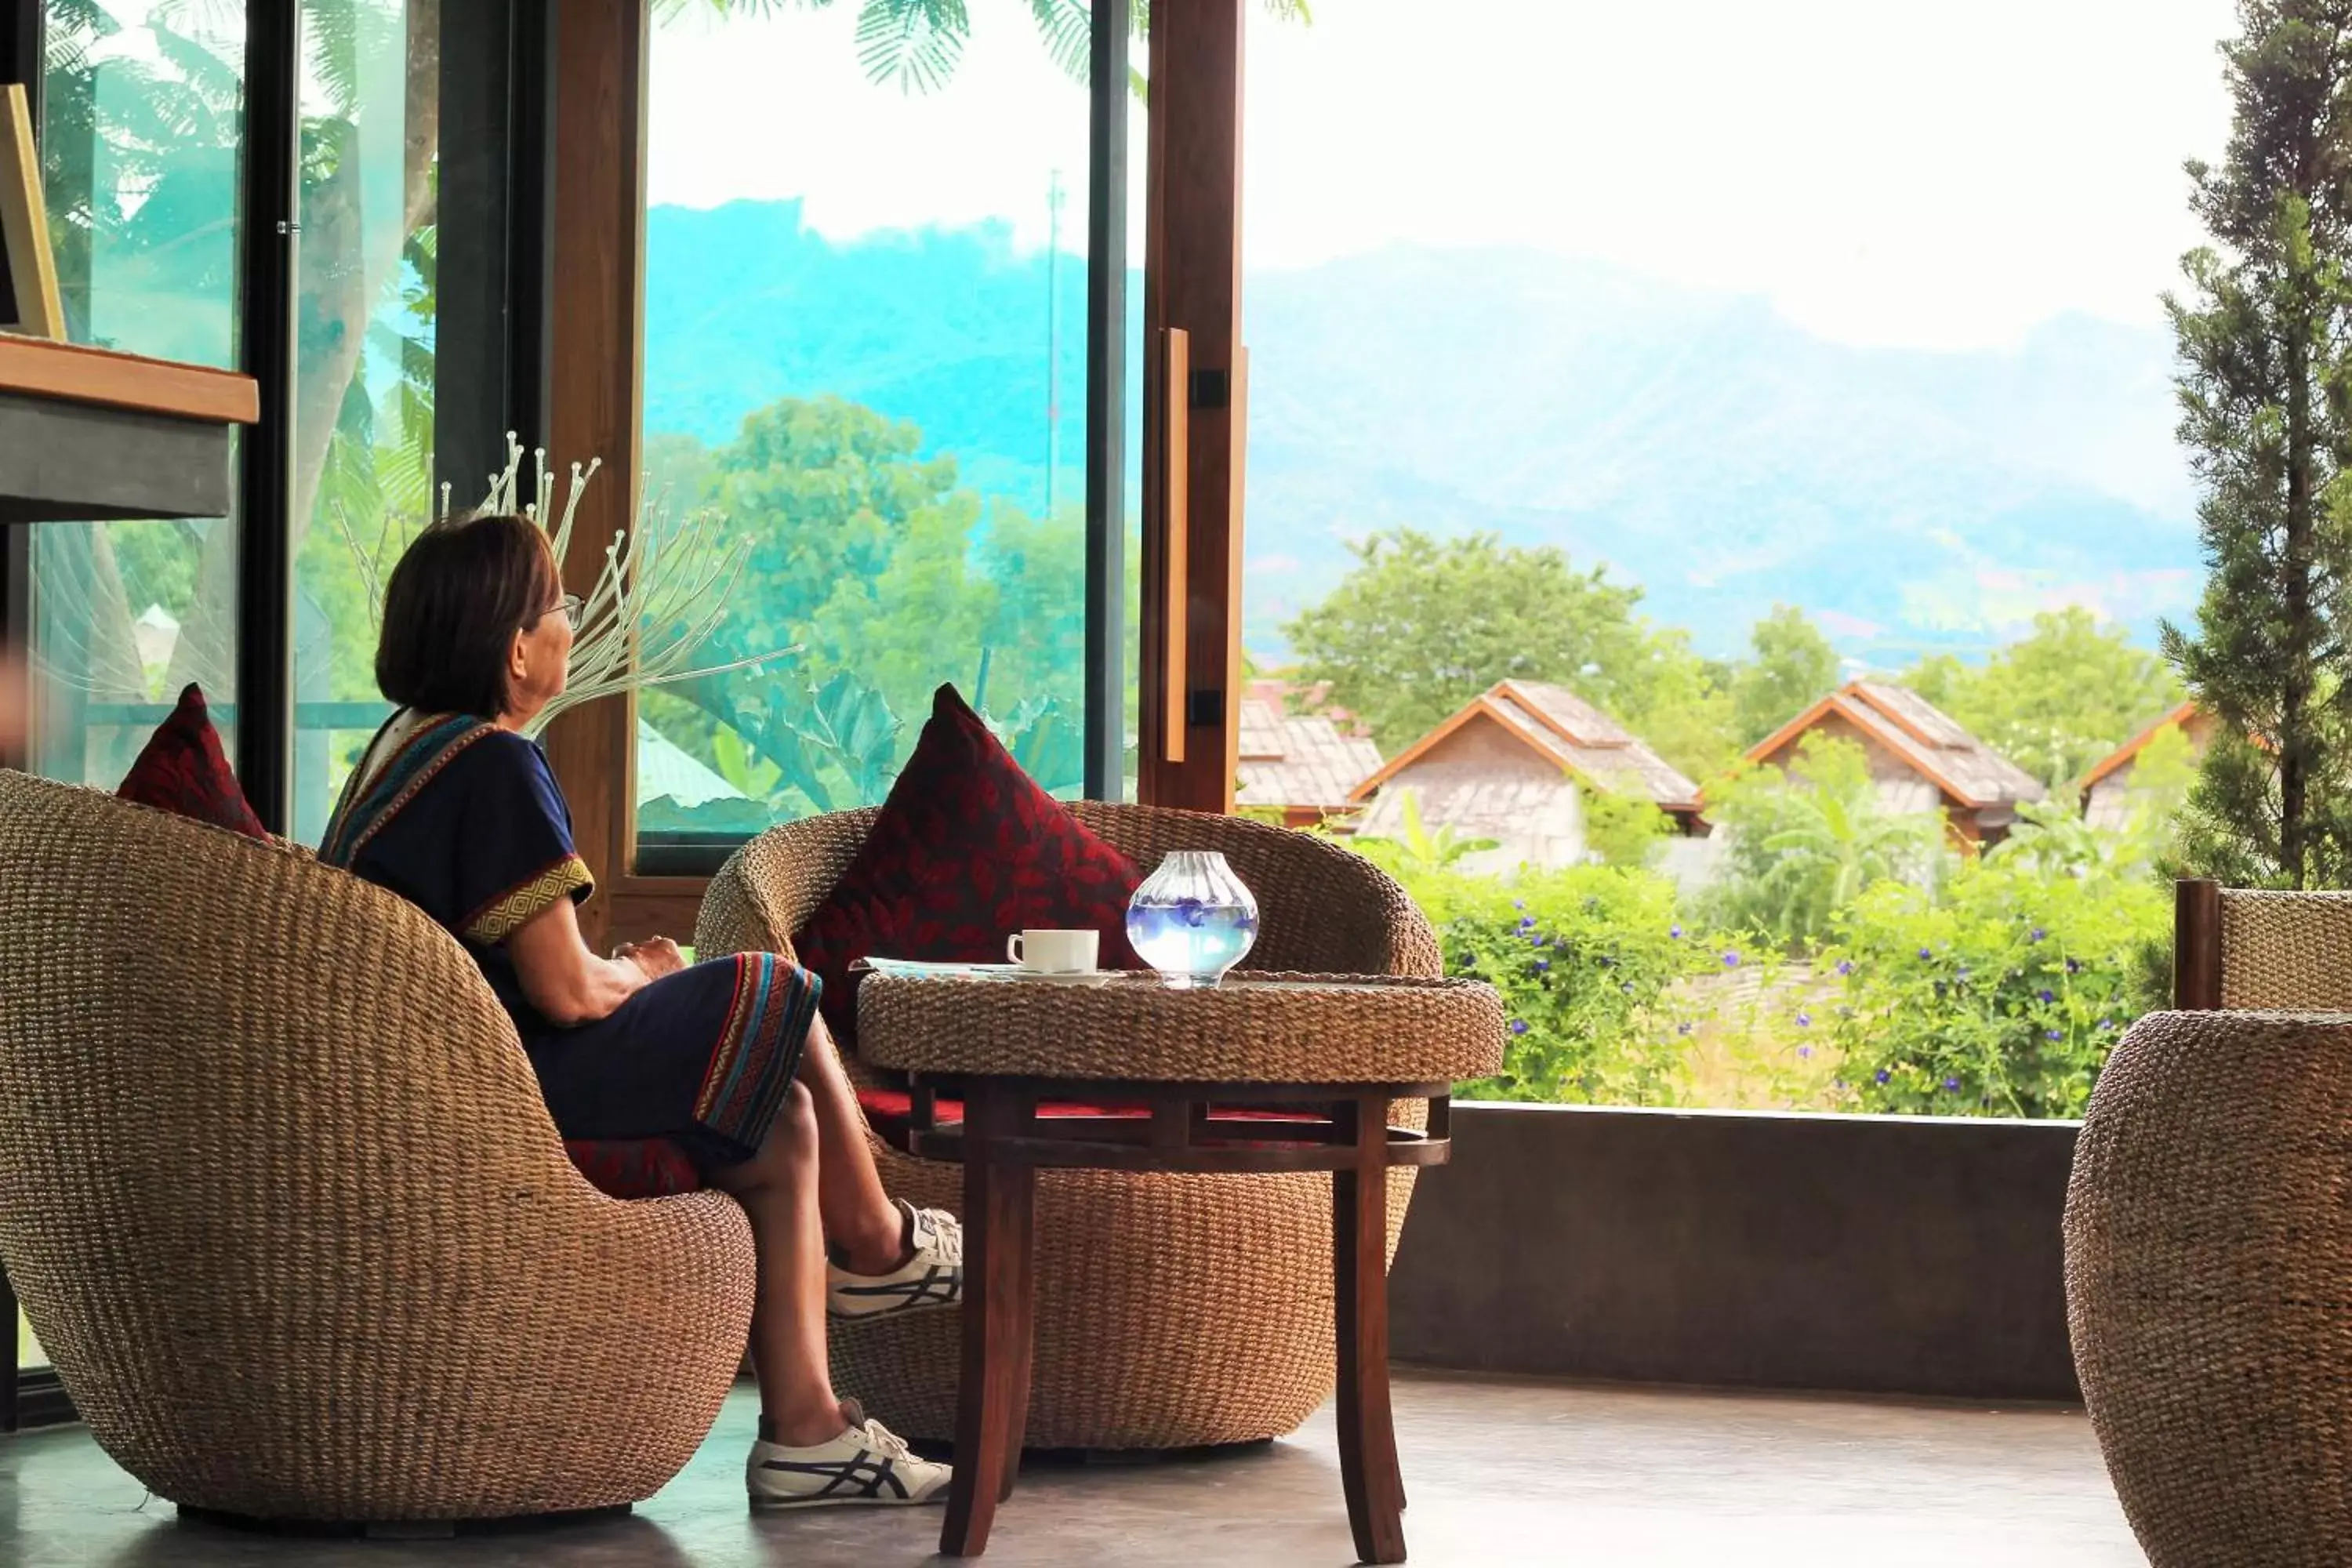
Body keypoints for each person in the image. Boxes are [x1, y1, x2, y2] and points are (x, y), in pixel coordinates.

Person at [319, 512, 959, 1511]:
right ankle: (877, 1242)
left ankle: (808, 1432)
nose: (573, 625)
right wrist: (647, 978)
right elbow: (566, 990)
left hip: (442, 1074)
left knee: (782, 1121)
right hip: (505, 1089)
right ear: (517, 646)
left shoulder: (399, 752)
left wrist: (626, 976)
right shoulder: (493, 762)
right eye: (559, 608)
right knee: (772, 984)